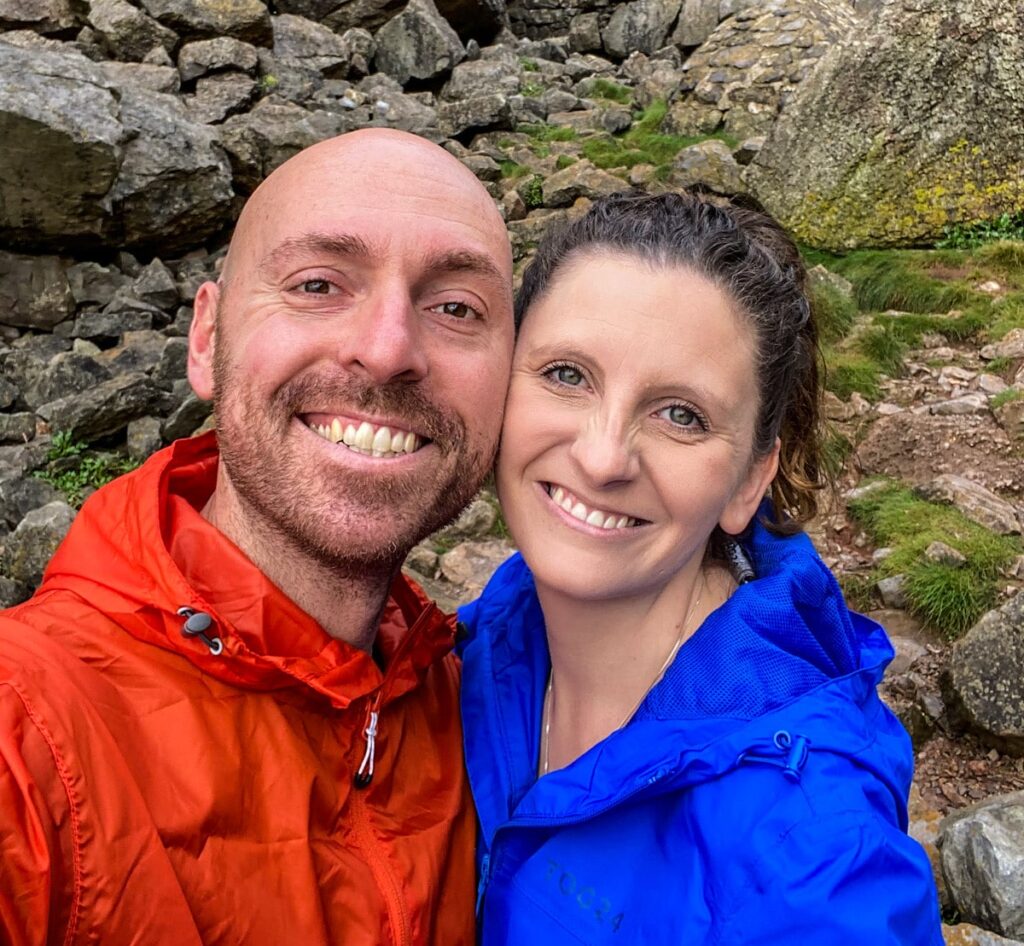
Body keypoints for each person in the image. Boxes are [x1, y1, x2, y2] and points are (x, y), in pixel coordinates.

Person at [0, 129, 515, 945]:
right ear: (205, 340)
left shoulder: (488, 706)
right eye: (318, 284)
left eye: (456, 307)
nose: (386, 351)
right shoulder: (24, 731)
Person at [459, 191, 944, 944]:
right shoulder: (487, 638)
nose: (601, 455)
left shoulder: (813, 866)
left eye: (680, 414)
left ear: (751, 479)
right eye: (565, 374)